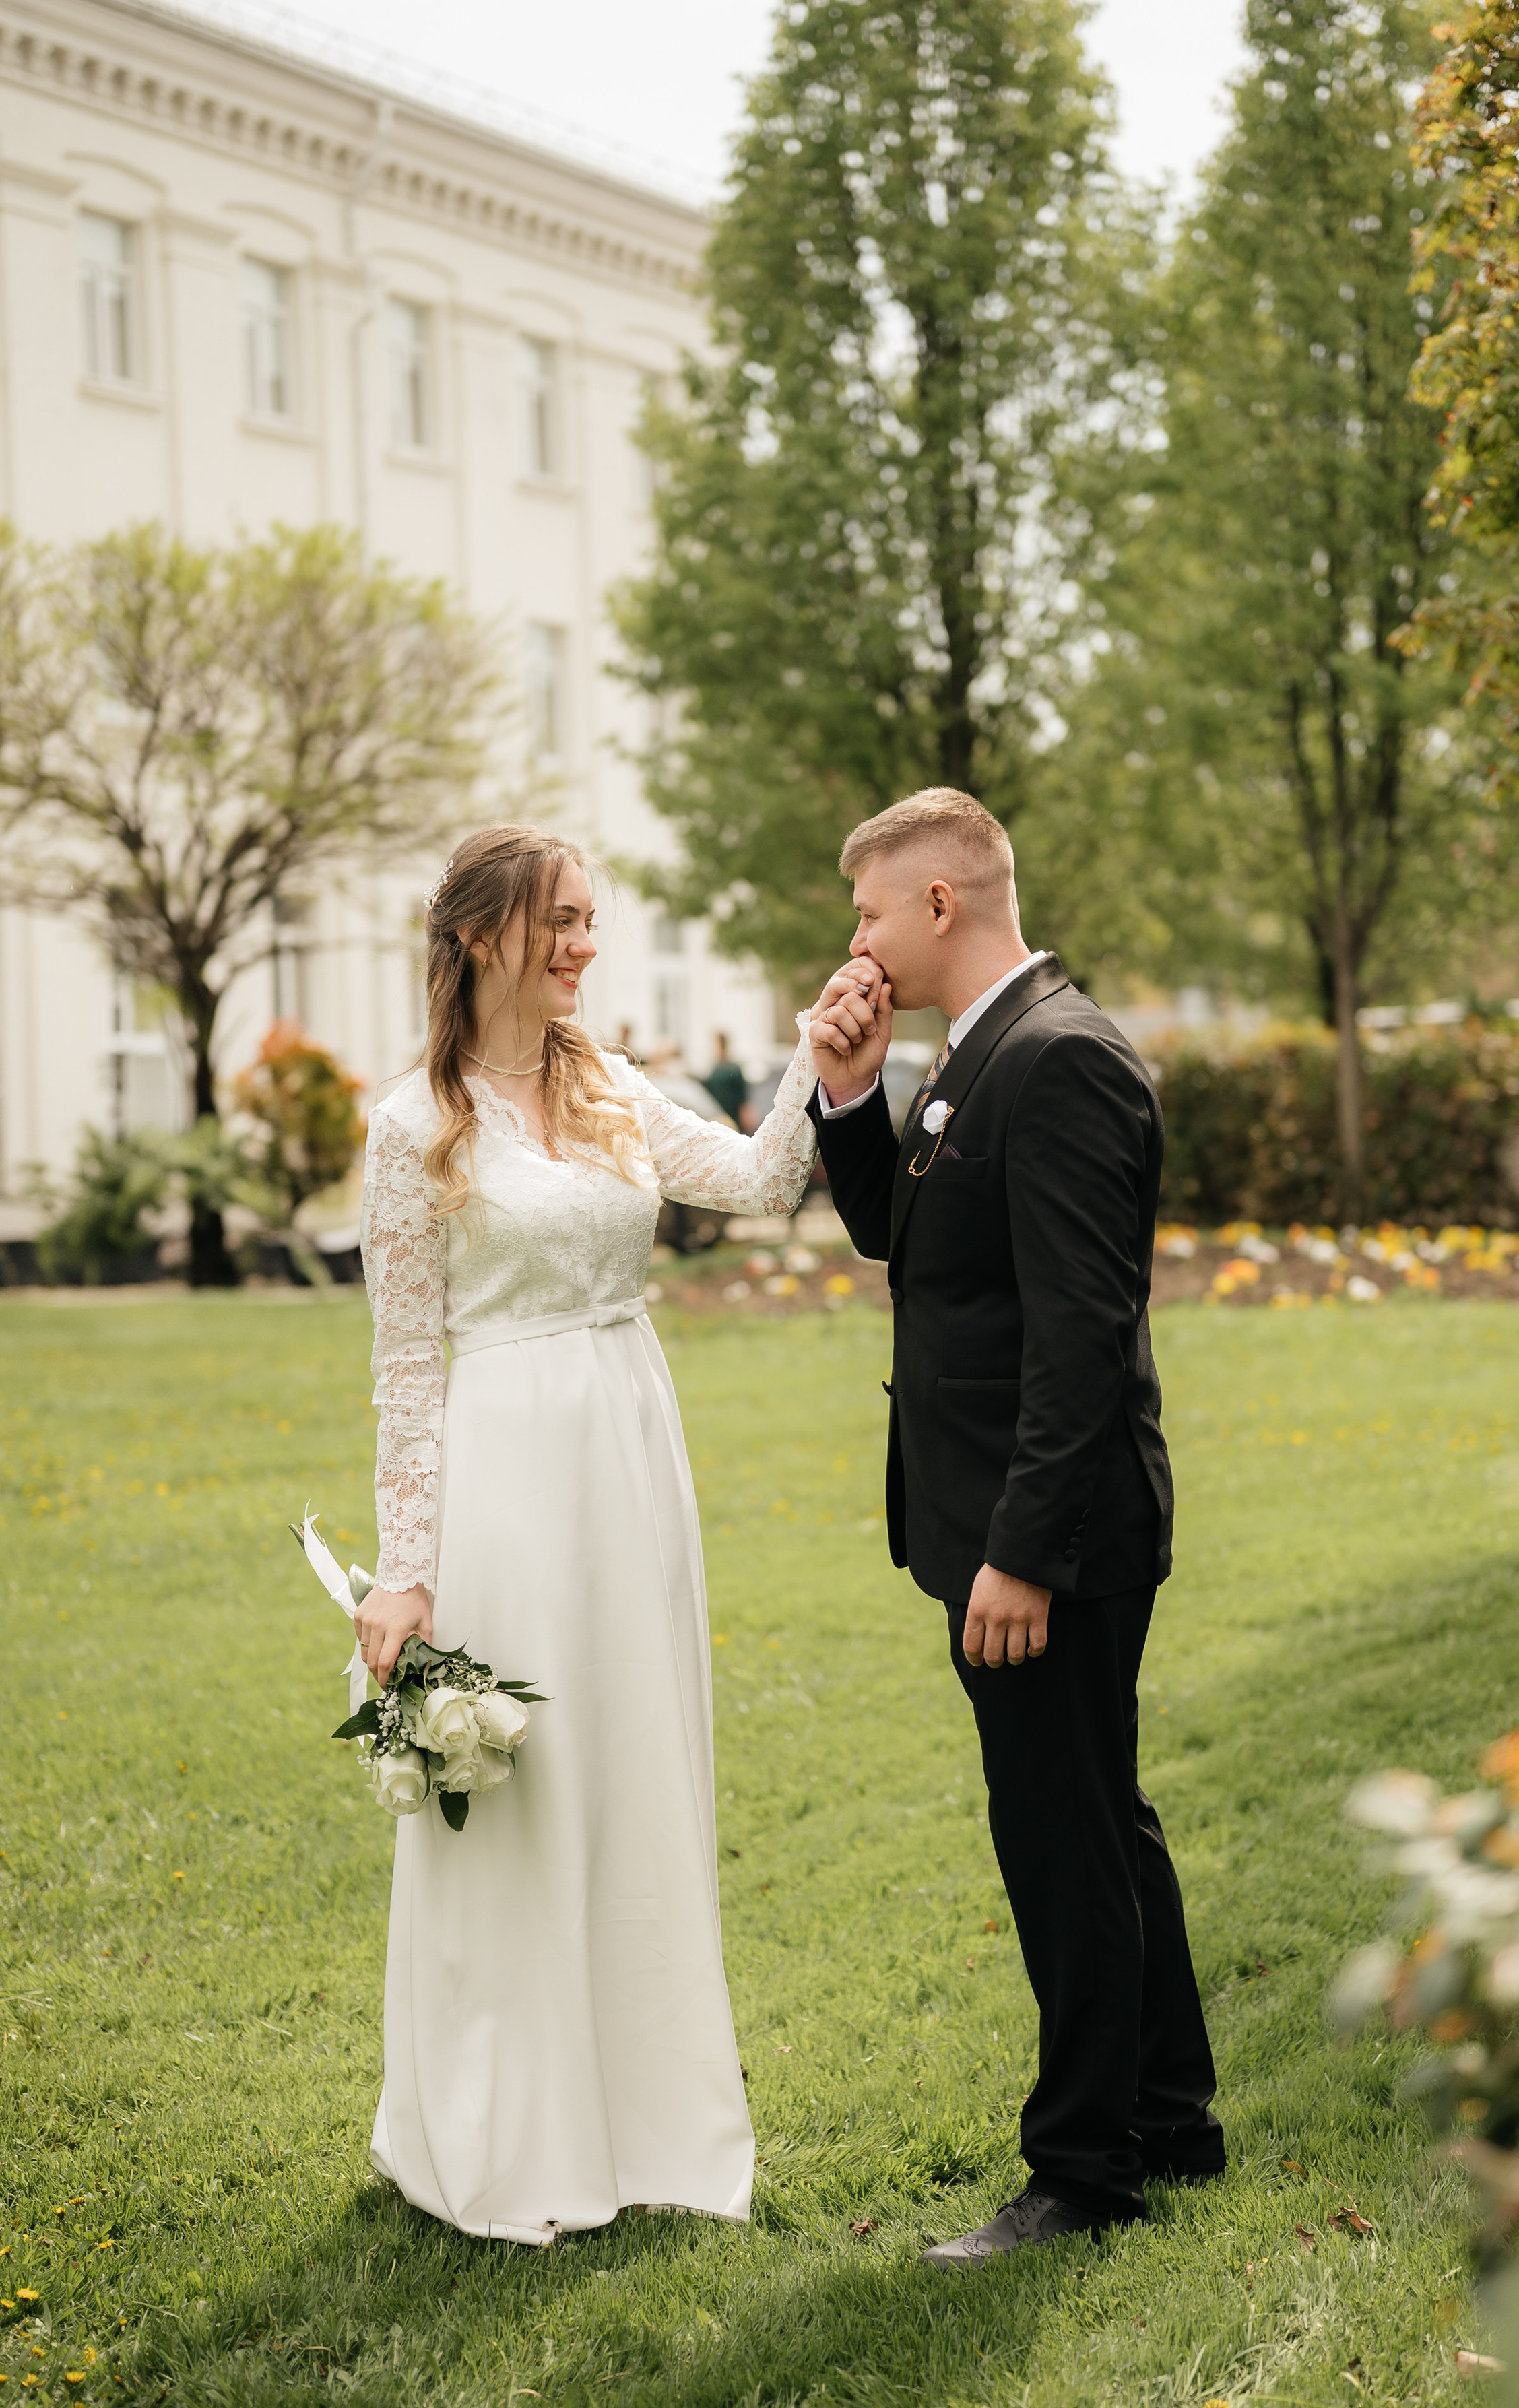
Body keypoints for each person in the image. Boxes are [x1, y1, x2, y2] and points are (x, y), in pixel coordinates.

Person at [352, 823, 820, 2244]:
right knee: (528, 1791)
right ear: (480, 933)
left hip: (630, 1446)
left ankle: (652, 2119)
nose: (584, 945)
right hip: (506, 1466)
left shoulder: (610, 1082)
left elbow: (759, 1180)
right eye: (559, 920)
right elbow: (406, 1363)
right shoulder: (409, 1125)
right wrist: (406, 1571)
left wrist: (820, 1056)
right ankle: (508, 2127)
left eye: (587, 920)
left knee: (636, 1765)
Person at [806, 787, 1223, 2269]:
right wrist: (849, 1090)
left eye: (868, 911)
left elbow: (1082, 1336)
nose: (855, 940)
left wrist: (1024, 1554)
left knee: (1059, 1840)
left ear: (938, 903)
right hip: (1001, 1524)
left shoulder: (1059, 1060)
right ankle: (1170, 2120)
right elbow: (903, 1238)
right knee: (1098, 1818)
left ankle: (1084, 2172)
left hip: (1050, 1536)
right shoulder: (975, 1052)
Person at [703, 1033, 750, 1128]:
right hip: (719, 1112)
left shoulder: (733, 1068)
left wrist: (745, 1113)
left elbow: (742, 1094)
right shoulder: (715, 1069)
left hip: (732, 1111)